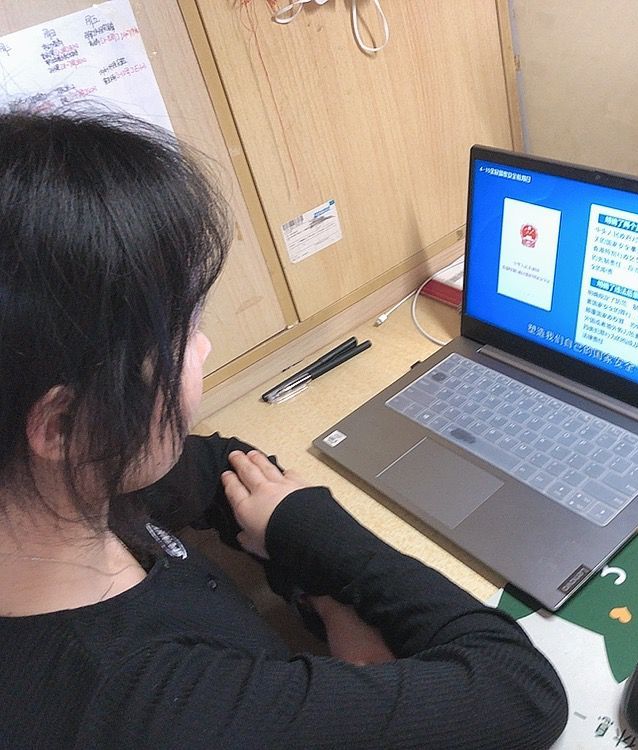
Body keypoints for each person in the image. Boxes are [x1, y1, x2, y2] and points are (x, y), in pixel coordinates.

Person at [0, 110, 568, 749]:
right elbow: (520, 693)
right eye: (182, 332)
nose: (205, 347)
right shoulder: (153, 709)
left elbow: (221, 464)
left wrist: (329, 599)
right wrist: (314, 531)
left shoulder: (59, 493)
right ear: (64, 425)